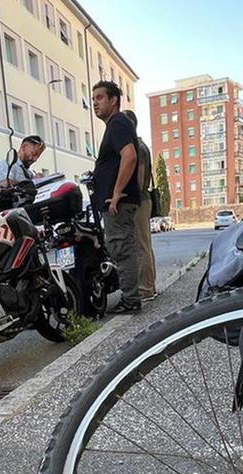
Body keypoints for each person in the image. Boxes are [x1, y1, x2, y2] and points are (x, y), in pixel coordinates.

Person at [89, 81, 142, 314]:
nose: (95, 103)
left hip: (118, 203)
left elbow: (129, 157)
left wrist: (117, 192)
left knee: (121, 248)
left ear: (114, 100)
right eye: (93, 99)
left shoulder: (118, 122)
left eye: (100, 98)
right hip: (116, 202)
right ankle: (130, 298)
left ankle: (131, 300)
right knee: (121, 246)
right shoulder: (116, 125)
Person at [121, 109, 157, 302]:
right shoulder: (139, 146)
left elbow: (138, 180)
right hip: (142, 201)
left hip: (139, 202)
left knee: (141, 246)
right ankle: (149, 285)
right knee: (144, 245)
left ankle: (146, 289)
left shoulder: (139, 149)